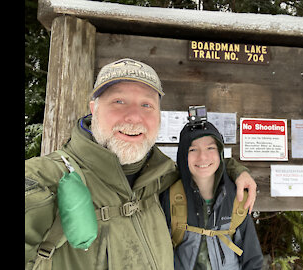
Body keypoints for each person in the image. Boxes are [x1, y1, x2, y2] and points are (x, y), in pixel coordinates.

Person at [25, 58, 257, 270]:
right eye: (119, 101)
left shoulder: (163, 178)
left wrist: (238, 171)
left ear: (158, 115)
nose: (134, 117)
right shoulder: (45, 180)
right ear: (94, 108)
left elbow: (204, 164)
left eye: (147, 105)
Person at [160, 121, 263, 269]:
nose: (203, 157)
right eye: (193, 150)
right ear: (183, 155)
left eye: (210, 148)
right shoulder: (169, 197)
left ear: (220, 152)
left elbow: (252, 260)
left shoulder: (237, 197)